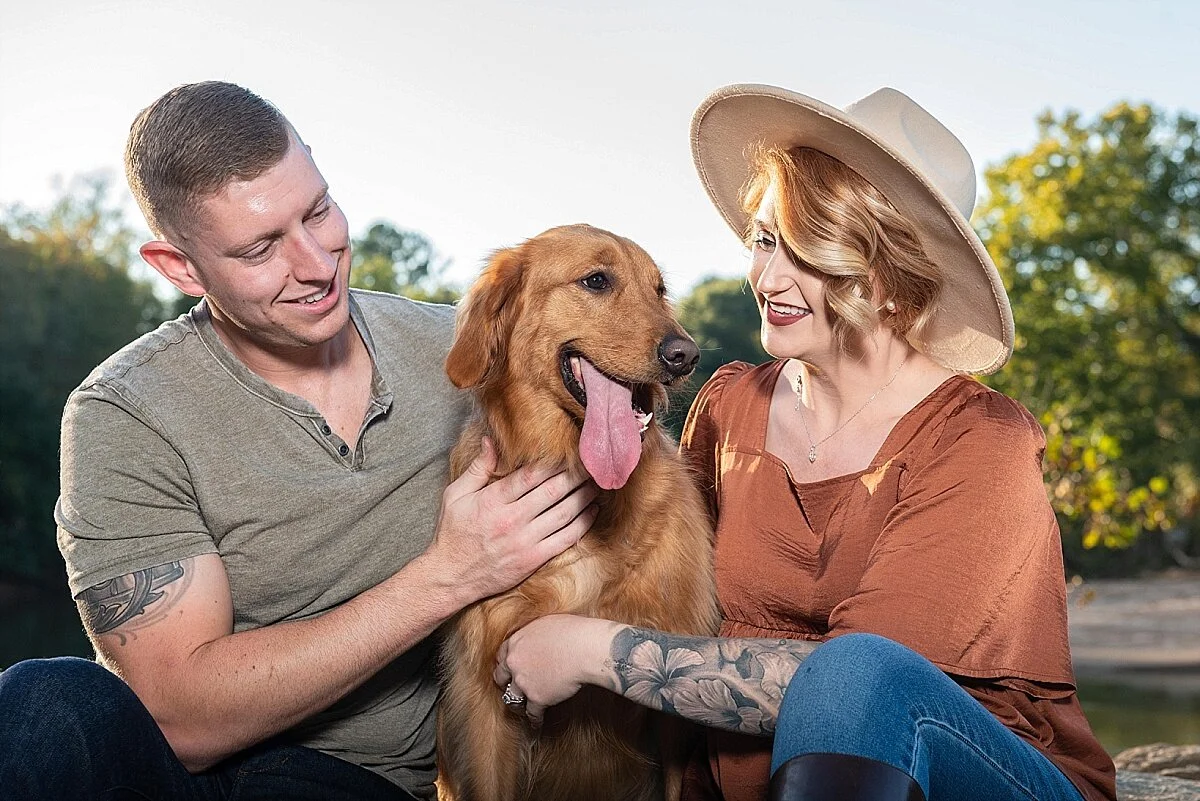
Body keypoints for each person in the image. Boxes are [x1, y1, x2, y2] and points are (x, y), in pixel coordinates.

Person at [491, 85, 1117, 801]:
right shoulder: (729, 406)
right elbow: (657, 594)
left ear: (893, 281)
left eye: (815, 253)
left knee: (856, 672)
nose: (770, 277)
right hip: (757, 781)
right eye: (763, 239)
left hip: (971, 775)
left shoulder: (979, 444)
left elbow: (855, 700)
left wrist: (589, 650)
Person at [0, 81, 600, 801]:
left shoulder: (465, 356)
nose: (317, 264)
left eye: (318, 210)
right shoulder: (123, 412)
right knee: (45, 699)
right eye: (260, 249)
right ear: (179, 267)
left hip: (353, 782)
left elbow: (622, 413)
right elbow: (180, 717)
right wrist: (450, 573)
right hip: (181, 777)